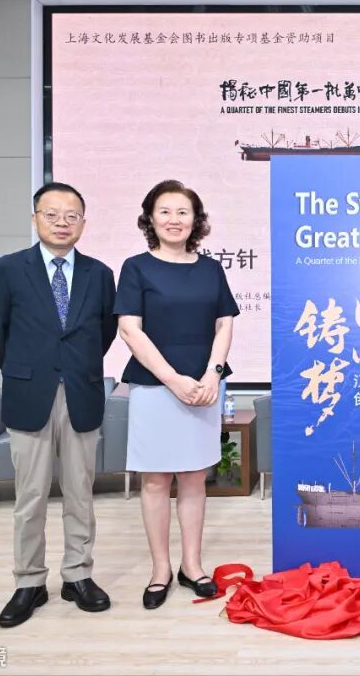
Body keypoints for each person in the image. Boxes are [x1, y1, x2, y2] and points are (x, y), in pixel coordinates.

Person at [0, 182, 117, 628]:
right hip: (29, 393)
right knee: (31, 495)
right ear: (35, 218)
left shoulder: (100, 273)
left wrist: (72, 367)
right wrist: (26, 369)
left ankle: (78, 575)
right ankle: (29, 582)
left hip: (82, 391)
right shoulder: (8, 268)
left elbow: (104, 332)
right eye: (52, 214)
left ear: (83, 223)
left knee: (80, 493)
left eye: (71, 216)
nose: (62, 223)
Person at [115, 179, 239, 609]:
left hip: (204, 386)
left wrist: (212, 374)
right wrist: (173, 379)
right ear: (150, 218)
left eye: (183, 212)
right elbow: (130, 329)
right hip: (155, 386)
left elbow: (224, 323)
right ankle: (160, 570)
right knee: (155, 480)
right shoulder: (136, 267)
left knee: (194, 477)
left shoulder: (211, 269)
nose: (174, 219)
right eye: (164, 211)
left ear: (195, 220)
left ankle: (192, 566)